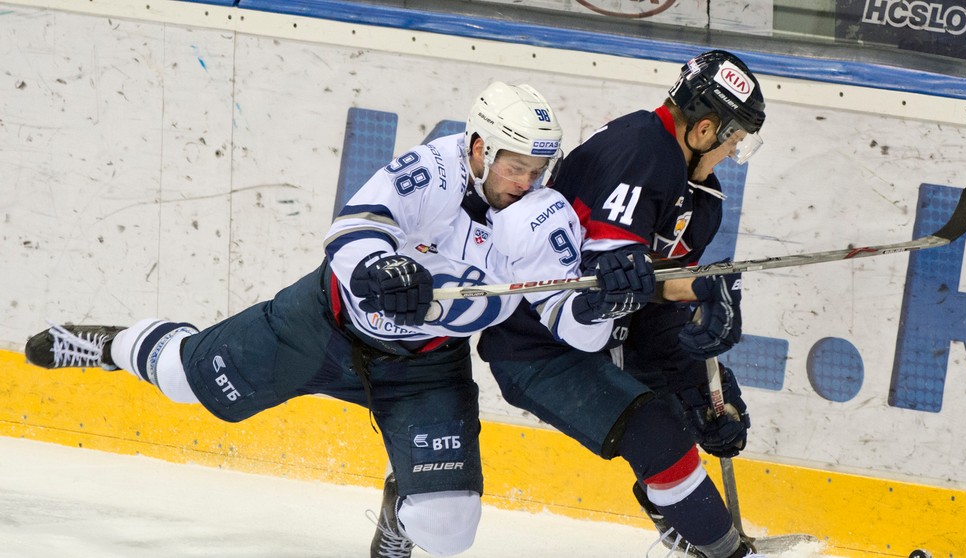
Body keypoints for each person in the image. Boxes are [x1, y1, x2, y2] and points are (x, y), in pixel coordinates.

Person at [24, 81, 654, 558]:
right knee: (184, 379)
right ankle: (112, 346)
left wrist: (602, 303)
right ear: (479, 148)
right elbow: (350, 231)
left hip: (424, 368)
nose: (527, 182)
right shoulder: (431, 171)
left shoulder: (542, 217)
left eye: (539, 170)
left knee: (448, 529)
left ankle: (398, 511)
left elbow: (574, 326)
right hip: (320, 328)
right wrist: (382, 267)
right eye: (516, 166)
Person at [477, 50, 767, 558]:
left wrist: (702, 388)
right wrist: (697, 290)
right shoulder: (640, 154)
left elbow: (652, 307)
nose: (731, 154)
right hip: (537, 345)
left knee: (700, 410)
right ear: (704, 130)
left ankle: (681, 519)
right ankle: (725, 552)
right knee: (659, 436)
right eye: (734, 141)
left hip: (608, 331)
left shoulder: (695, 191)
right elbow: (613, 280)